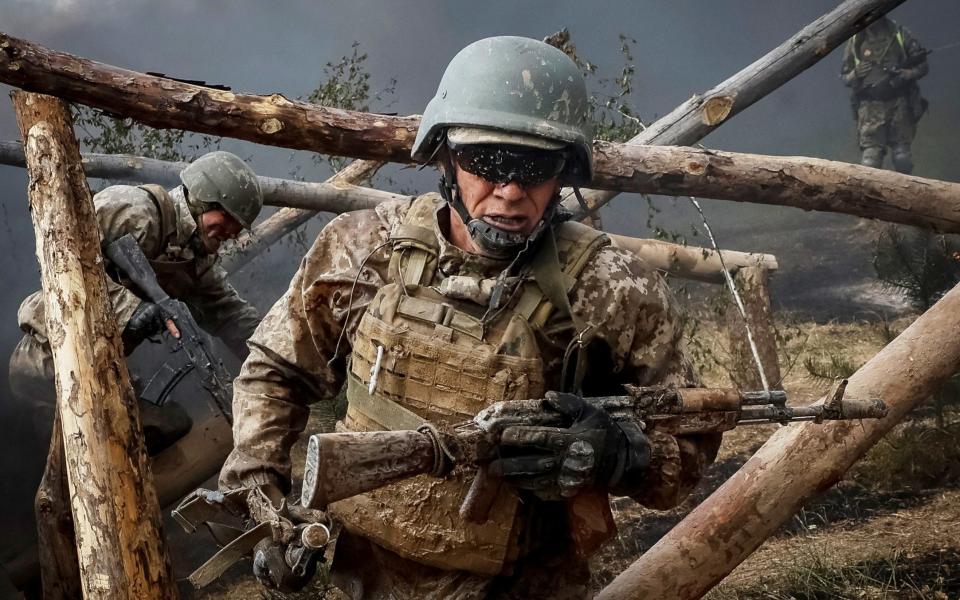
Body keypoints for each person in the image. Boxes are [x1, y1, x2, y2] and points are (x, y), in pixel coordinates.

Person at [220, 36, 720, 599]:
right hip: (359, 576)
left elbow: (689, 447)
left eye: (535, 168)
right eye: (488, 163)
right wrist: (263, 499)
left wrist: (622, 454)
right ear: (445, 157)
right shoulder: (363, 249)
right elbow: (274, 369)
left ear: (565, 174)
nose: (509, 191)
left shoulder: (614, 287)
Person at [9, 150, 263, 454]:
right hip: (45, 362)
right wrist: (132, 309)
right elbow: (64, 261)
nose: (232, 232)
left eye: (237, 226)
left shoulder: (195, 261)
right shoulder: (134, 210)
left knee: (169, 424)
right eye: (228, 219)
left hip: (101, 375)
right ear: (204, 198)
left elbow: (230, 315)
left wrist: (276, 355)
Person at [841, 17, 929, 173]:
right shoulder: (856, 41)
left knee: (902, 157)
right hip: (870, 107)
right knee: (870, 160)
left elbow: (922, 65)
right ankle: (869, 196)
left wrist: (906, 74)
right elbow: (845, 76)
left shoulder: (900, 34)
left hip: (900, 103)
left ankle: (905, 193)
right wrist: (856, 73)